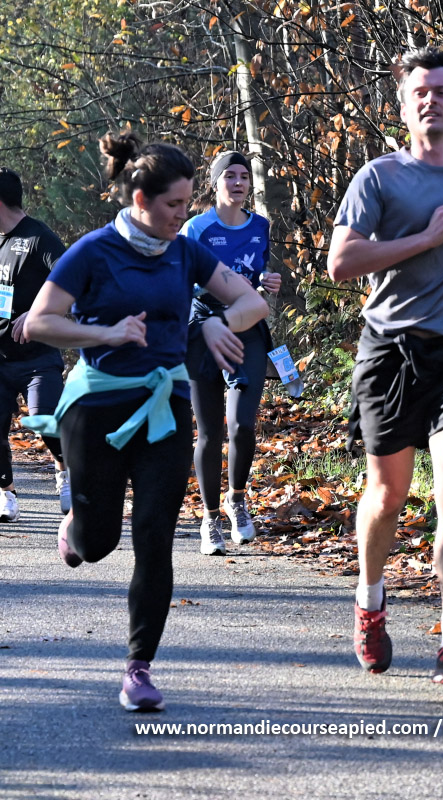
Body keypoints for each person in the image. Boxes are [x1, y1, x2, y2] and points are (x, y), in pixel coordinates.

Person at [23, 133, 268, 712]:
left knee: (156, 534)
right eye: (173, 205)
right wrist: (105, 334)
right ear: (140, 199)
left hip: (165, 406)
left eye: (187, 203)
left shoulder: (185, 252)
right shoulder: (93, 251)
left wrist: (213, 323)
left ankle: (138, 668)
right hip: (98, 407)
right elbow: (39, 323)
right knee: (99, 541)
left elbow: (252, 303)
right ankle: (78, 527)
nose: (183, 215)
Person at [327, 47, 443, 685]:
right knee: (388, 497)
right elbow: (341, 263)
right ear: (404, 109)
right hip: (391, 349)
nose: (431, 100)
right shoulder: (378, 178)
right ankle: (370, 600)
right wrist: (426, 239)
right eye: (420, 93)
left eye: (442, 91)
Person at [180, 151, 281, 556]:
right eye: (230, 176)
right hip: (203, 326)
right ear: (215, 182)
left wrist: (266, 279)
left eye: (244, 176)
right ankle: (209, 519)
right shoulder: (196, 228)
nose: (239, 183)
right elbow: (178, 279)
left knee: (242, 425)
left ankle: (236, 499)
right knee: (209, 432)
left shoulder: (260, 226)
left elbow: (259, 270)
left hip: (245, 324)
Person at [0, 167, 70, 522]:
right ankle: (6, 493)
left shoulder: (39, 237)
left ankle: (65, 470)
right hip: (1, 357)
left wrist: (37, 313)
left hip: (38, 357)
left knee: (45, 419)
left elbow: (73, 279)